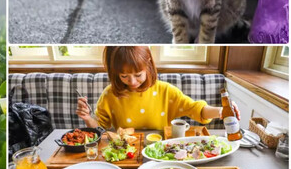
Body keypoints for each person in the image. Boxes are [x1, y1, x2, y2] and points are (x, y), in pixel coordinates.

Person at [76, 46, 239, 130]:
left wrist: (221, 111)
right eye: (124, 76)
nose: (132, 81)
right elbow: (101, 128)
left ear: (149, 68)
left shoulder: (166, 91)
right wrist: (88, 118)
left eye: (138, 74)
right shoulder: (109, 94)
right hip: (126, 154)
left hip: (161, 153)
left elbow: (196, 109)